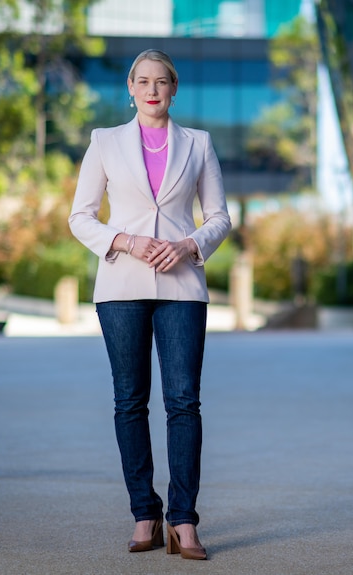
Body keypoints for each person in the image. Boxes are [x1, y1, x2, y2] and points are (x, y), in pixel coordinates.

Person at [69, 49, 231, 560]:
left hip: (182, 286)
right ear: (130, 87)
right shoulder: (104, 142)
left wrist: (189, 245)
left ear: (174, 88)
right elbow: (81, 217)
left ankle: (184, 521)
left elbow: (220, 217)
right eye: (143, 81)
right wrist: (125, 242)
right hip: (121, 286)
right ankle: (146, 514)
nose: (153, 89)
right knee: (129, 401)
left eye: (162, 81)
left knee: (183, 402)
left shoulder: (199, 144)